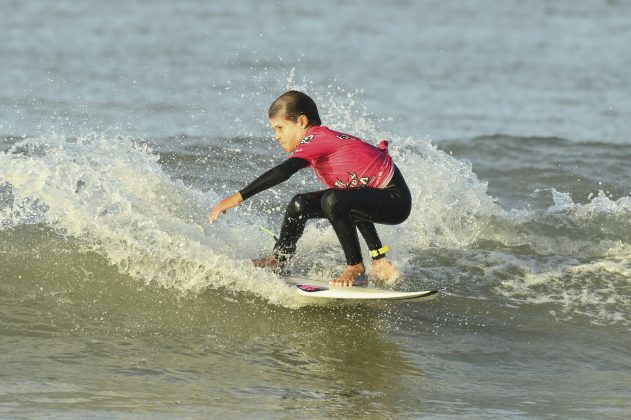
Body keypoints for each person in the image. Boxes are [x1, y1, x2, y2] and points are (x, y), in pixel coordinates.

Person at [209, 90, 412, 287]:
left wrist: (237, 198)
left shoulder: (316, 139)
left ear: (302, 122)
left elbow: (284, 171)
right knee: (301, 204)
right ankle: (280, 259)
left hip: (395, 200)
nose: (276, 136)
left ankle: (355, 267)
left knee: (332, 199)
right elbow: (356, 204)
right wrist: (378, 257)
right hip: (377, 197)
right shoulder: (323, 144)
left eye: (280, 128)